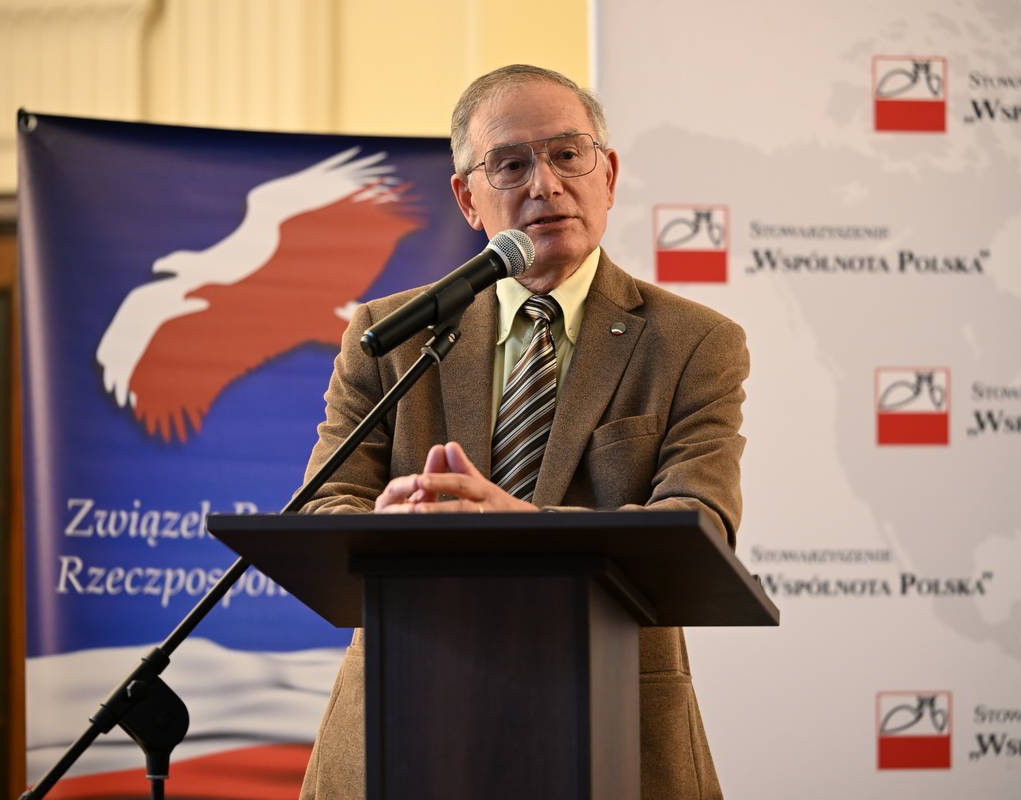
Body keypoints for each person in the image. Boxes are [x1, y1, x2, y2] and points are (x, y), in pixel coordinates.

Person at [298, 64, 748, 800]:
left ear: (608, 175)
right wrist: (387, 524)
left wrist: (519, 524)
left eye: (568, 154)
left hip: (613, 718)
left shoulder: (694, 343)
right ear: (467, 199)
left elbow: (696, 527)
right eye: (509, 165)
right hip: (405, 709)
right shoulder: (392, 335)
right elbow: (323, 507)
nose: (545, 184)